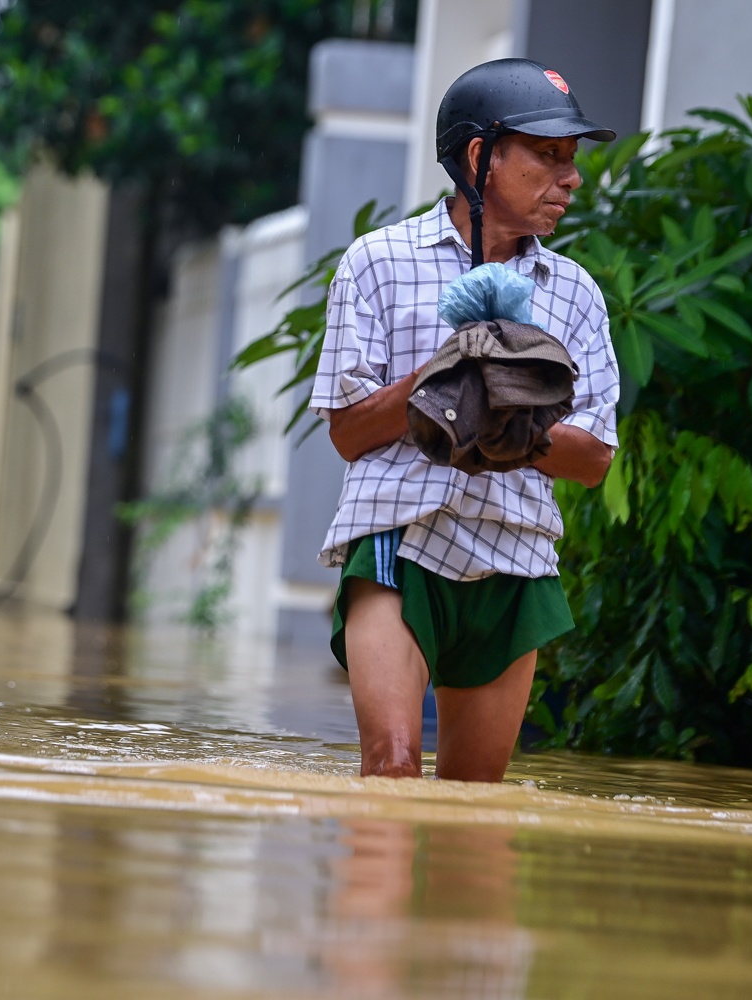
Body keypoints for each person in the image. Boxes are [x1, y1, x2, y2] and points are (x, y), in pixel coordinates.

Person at [310, 58, 622, 782]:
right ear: (480, 157)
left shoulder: (576, 295)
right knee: (390, 769)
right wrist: (441, 382)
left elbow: (595, 458)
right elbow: (348, 433)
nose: (571, 179)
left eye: (572, 160)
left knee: (474, 811)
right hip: (400, 544)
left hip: (515, 560)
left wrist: (509, 419)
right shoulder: (376, 264)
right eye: (549, 156)